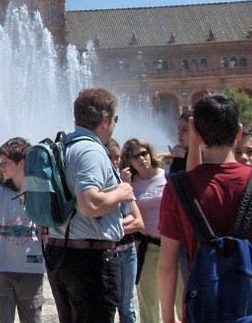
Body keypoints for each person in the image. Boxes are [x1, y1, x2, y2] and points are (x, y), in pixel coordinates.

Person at [158, 93, 252, 323]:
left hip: (202, 308)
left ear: (197, 136)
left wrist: (168, 318)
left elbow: (167, 264)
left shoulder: (177, 188)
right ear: (239, 133)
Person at [45, 87, 134, 323]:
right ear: (105, 119)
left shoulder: (64, 146)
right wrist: (121, 192)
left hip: (62, 253)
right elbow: (89, 204)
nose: (114, 124)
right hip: (89, 260)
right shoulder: (90, 150)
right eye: (115, 119)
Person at [0, 137, 44, 323]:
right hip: (2, 269)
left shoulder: (41, 191)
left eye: (6, 162)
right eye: (0, 161)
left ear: (22, 163)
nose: (1, 166)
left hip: (32, 269)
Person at [120, 138, 180, 323]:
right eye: (134, 156)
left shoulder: (167, 176)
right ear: (129, 161)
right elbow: (125, 212)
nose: (141, 159)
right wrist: (124, 184)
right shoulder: (131, 184)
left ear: (150, 153)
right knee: (148, 302)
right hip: (146, 248)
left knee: (181, 299)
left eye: (143, 153)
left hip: (173, 246)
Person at [106, 138, 144, 323]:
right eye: (111, 157)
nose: (115, 162)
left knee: (127, 306)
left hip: (127, 251)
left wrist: (111, 226)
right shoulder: (100, 186)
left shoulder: (124, 186)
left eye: (118, 157)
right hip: (108, 253)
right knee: (108, 305)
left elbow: (137, 221)